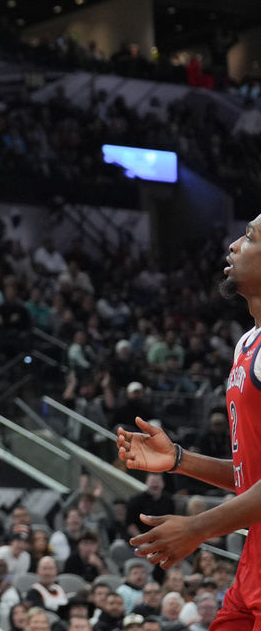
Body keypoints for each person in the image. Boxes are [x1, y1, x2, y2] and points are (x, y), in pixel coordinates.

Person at [117, 213, 261, 624]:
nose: (233, 245)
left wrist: (199, 527)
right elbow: (251, 478)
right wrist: (179, 460)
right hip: (253, 558)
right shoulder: (247, 345)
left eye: (249, 238)